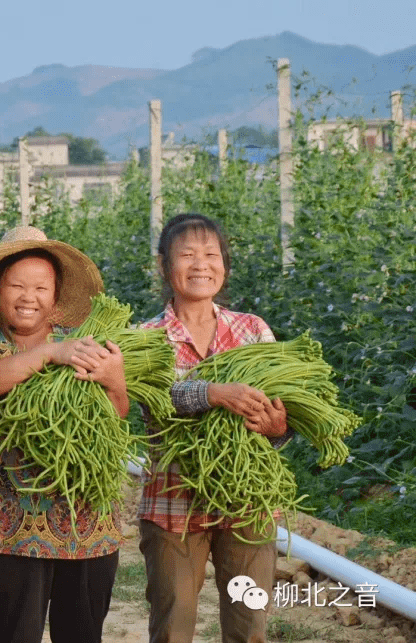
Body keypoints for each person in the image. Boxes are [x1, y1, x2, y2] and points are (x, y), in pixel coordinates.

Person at [0, 226, 128, 643]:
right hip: (13, 530)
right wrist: (50, 353)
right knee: (14, 634)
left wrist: (116, 381)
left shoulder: (86, 346)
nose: (28, 296)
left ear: (55, 297)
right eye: (16, 285)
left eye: (40, 287)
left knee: (83, 635)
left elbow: (117, 414)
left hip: (88, 525)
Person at [138, 213, 289, 643]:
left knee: (249, 629)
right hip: (173, 503)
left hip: (248, 503)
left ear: (223, 264)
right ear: (166, 267)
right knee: (173, 627)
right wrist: (212, 393)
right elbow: (156, 404)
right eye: (187, 255)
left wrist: (277, 425)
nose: (201, 264)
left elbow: (280, 418)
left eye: (212, 255)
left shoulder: (252, 330)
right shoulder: (146, 337)